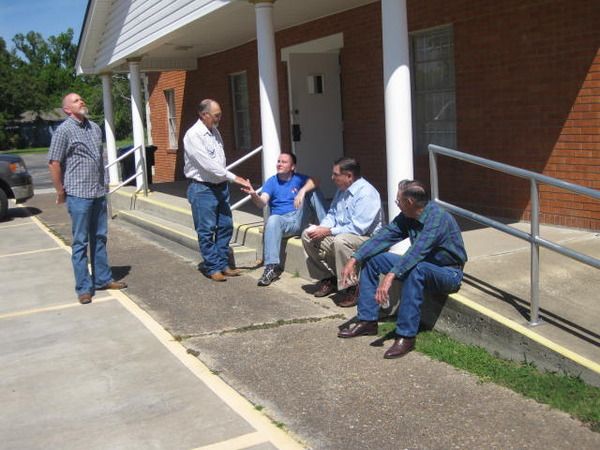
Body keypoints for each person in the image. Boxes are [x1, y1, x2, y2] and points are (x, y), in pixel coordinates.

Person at [338, 180, 468, 359]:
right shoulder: (408, 216)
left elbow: (417, 252)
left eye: (398, 201)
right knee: (373, 259)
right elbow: (384, 236)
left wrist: (391, 275)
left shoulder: (438, 219)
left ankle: (406, 336)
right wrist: (355, 258)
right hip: (421, 264)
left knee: (417, 269)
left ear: (410, 202)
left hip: (448, 273)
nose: (397, 204)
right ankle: (367, 321)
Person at [48, 93, 127, 304]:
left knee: (99, 237)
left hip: (98, 193)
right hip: (78, 194)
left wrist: (105, 183)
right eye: (76, 101)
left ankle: (102, 279)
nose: (81, 101)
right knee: (80, 242)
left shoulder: (94, 128)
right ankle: (84, 287)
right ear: (67, 109)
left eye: (81, 99)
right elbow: (54, 163)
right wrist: (60, 191)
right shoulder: (63, 131)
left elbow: (99, 160)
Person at [183, 99, 250, 282]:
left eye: (219, 114)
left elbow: (219, 160)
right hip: (202, 188)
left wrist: (226, 179)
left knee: (225, 226)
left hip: (220, 187)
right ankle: (213, 267)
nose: (219, 118)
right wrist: (234, 177)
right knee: (206, 230)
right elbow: (207, 164)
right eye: (216, 115)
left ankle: (223, 264)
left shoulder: (214, 132)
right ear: (204, 115)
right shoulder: (193, 135)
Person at [302, 157, 382, 307]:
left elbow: (358, 228)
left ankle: (352, 287)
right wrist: (320, 229)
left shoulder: (366, 193)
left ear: (349, 176)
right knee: (308, 235)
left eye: (335, 174)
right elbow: (332, 215)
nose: (332, 178)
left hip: (366, 238)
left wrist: (329, 231)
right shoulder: (341, 191)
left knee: (341, 240)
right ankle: (329, 278)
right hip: (343, 234)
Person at [242, 152, 327, 286]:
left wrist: (302, 191)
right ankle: (270, 268)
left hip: (300, 217)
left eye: (284, 162)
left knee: (312, 189)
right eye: (279, 161)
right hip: (284, 222)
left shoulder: (299, 178)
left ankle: (326, 226)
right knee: (273, 219)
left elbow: (316, 180)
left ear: (292, 167)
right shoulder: (271, 182)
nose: (279, 164)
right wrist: (253, 195)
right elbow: (261, 203)